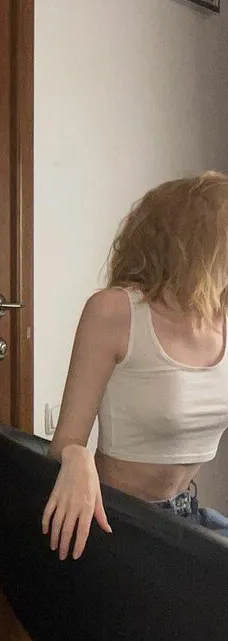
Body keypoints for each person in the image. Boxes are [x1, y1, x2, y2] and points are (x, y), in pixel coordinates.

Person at [41, 171, 228, 561]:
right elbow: (65, 443)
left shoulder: (220, 318)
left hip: (186, 516)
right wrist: (77, 456)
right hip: (120, 520)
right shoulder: (115, 311)